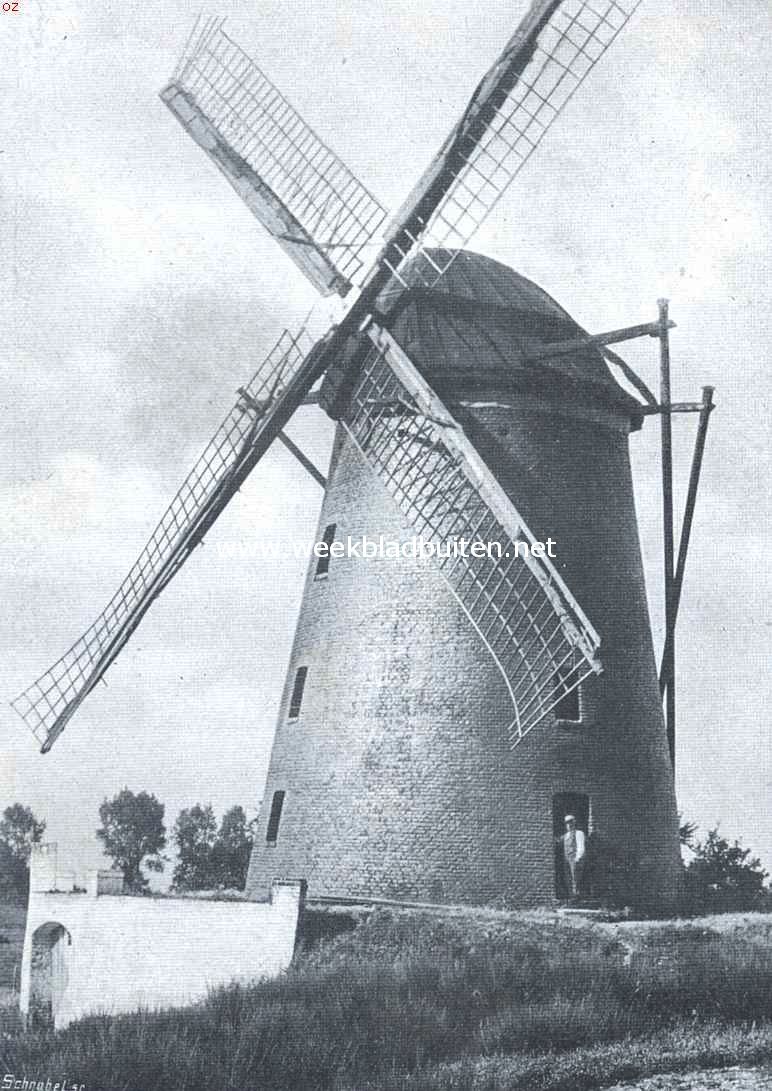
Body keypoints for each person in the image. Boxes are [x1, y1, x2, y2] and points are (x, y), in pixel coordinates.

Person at [560, 814, 586, 899]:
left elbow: (581, 846)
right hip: (566, 860)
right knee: (568, 878)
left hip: (574, 860)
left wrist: (578, 858)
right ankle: (571, 897)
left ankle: (577, 897)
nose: (569, 825)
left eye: (570, 823)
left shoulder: (578, 833)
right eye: (567, 823)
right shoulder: (565, 836)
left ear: (574, 823)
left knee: (576, 879)